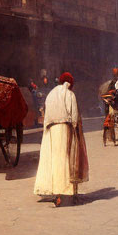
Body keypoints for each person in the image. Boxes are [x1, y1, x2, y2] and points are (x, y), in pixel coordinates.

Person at [34, 72, 89, 207]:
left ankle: (54, 189)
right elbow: (74, 114)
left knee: (52, 159)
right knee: (64, 159)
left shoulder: (52, 93)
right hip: (63, 127)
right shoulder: (69, 94)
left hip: (50, 129)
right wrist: (75, 127)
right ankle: (64, 190)